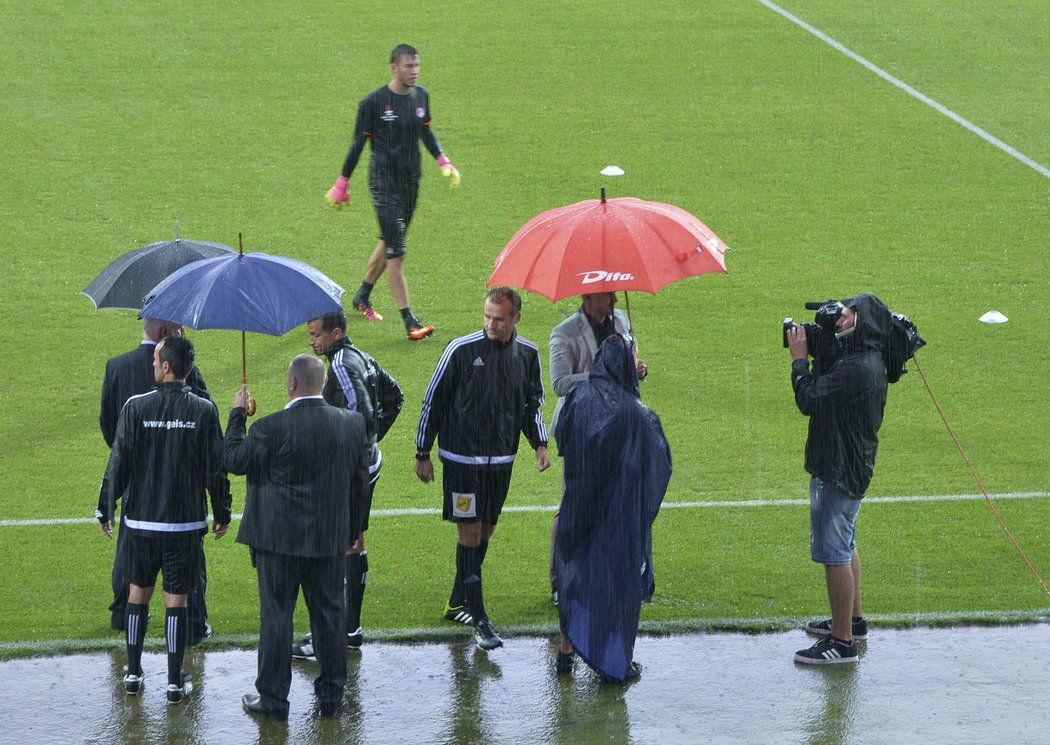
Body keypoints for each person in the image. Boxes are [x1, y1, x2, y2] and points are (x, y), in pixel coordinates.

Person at [225, 354, 371, 721]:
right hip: (328, 540)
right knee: (331, 615)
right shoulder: (351, 424)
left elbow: (233, 460)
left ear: (291, 384)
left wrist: (238, 413)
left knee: (276, 618)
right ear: (321, 384)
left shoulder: (269, 428)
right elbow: (360, 482)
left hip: (277, 543)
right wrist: (355, 529)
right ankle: (332, 699)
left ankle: (273, 701)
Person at [97, 335, 231, 704]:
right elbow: (215, 469)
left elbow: (118, 460)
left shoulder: (135, 407)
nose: (153, 365)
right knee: (177, 601)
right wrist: (222, 511)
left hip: (140, 523)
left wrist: (105, 506)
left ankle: (134, 674)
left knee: (138, 594)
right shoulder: (204, 411)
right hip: (184, 525)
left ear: (167, 366)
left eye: (156, 360)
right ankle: (174, 682)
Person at [415, 286, 550, 650]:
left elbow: (531, 405)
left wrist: (539, 443)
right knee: (470, 533)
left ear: (516, 318)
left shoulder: (528, 354)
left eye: (499, 318)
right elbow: (433, 400)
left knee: (486, 529)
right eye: (487, 316)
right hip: (461, 461)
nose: (491, 324)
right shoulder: (460, 350)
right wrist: (422, 451)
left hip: (501, 462)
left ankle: (459, 600)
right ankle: (479, 618)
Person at [553, 334, 671, 683]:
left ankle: (565, 655)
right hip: (616, 518)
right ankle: (615, 663)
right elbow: (659, 464)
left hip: (578, 506)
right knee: (616, 589)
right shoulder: (636, 413)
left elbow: (562, 437)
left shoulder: (578, 396)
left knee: (573, 579)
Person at [324, 42, 461, 340]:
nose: (414, 71)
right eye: (408, 66)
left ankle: (362, 295)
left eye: (417, 66)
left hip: (411, 182)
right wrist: (341, 184)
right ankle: (410, 321)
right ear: (394, 67)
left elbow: (425, 130)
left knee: (390, 239)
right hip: (384, 184)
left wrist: (443, 161)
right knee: (397, 255)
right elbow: (357, 145)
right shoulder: (373, 103)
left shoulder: (421, 97)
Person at [786, 293, 895, 664]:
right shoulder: (869, 360)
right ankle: (852, 621)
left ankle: (842, 640)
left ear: (863, 323)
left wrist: (800, 361)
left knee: (834, 552)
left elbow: (810, 400)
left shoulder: (857, 369)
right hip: (852, 463)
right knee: (846, 542)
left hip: (837, 467)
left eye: (846, 318)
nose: (839, 323)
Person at [290, 310, 404, 659]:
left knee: (336, 545)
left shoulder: (339, 363)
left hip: (349, 469)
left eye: (316, 335)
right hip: (366, 465)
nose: (311, 342)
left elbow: (360, 410)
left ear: (335, 333)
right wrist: (371, 444)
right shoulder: (363, 357)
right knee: (353, 542)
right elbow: (395, 397)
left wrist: (353, 450)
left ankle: (330, 635)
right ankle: (350, 630)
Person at [547, 292, 647, 605]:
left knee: (614, 502)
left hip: (617, 426)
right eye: (608, 293)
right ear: (590, 296)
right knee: (572, 504)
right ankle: (559, 580)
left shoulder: (621, 321)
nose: (615, 296)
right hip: (580, 427)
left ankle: (602, 576)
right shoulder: (564, 333)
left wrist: (637, 369)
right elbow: (560, 383)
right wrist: (602, 375)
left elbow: (630, 373)